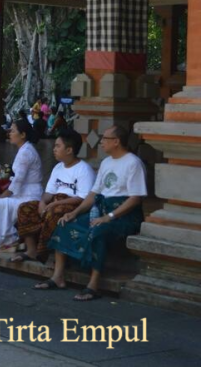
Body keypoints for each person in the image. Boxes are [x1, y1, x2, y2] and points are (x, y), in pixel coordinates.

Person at [35, 126, 146, 301]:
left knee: (98, 232)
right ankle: (58, 276)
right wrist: (75, 212)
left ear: (116, 141)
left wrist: (108, 217)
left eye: (105, 139)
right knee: (65, 224)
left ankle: (93, 284)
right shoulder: (106, 162)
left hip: (123, 216)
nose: (101, 142)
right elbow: (93, 194)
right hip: (102, 210)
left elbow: (135, 199)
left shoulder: (133, 163)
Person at [12, 129, 95, 263]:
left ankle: (44, 252)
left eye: (57, 146)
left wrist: (54, 204)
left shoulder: (84, 169)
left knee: (53, 213)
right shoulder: (58, 168)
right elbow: (49, 192)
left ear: (69, 150)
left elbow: (83, 198)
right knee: (24, 208)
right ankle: (31, 250)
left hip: (72, 205)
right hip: (53, 202)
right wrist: (42, 203)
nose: (54, 149)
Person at [0, 119, 43, 252]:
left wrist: (2, 196)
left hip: (28, 196)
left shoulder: (26, 152)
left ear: (23, 135)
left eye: (13, 130)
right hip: (24, 194)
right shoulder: (25, 149)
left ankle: (9, 240)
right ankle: (9, 239)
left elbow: (17, 181)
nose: (10, 133)